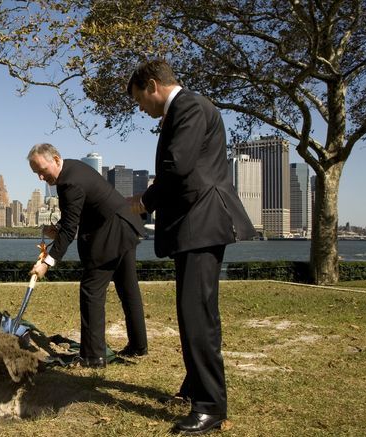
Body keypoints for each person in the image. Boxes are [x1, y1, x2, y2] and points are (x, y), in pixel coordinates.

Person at [126, 59, 257, 435]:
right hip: (194, 225)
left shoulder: (190, 106)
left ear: (152, 85)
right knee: (193, 312)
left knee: (197, 314)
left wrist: (144, 201)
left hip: (203, 222)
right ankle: (194, 387)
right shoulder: (186, 110)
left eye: (139, 100)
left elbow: (178, 166)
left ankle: (211, 407)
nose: (141, 109)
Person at [27, 143, 148, 369]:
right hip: (125, 227)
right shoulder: (72, 169)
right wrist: (60, 227)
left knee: (91, 291)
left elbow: (71, 228)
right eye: (36, 173)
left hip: (111, 233)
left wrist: (46, 262)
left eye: (42, 170)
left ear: (55, 159)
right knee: (128, 289)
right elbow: (78, 212)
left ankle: (93, 358)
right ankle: (138, 346)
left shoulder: (68, 182)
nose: (41, 177)